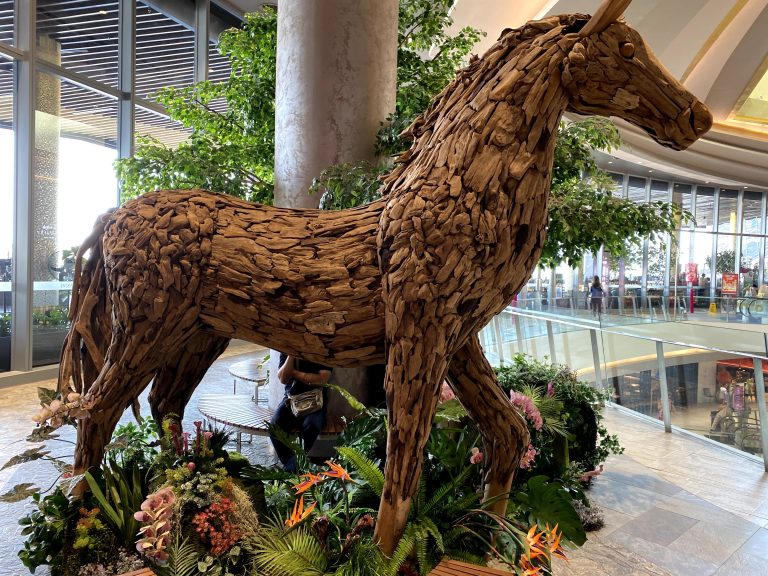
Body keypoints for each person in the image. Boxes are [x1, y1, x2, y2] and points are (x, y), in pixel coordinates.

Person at [269, 353, 332, 472]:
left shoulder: (321, 350)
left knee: (311, 426)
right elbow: (283, 378)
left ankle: (291, 469)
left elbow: (323, 379)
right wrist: (291, 355)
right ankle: (294, 466)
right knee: (275, 427)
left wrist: (295, 373)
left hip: (316, 401)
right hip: (292, 400)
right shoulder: (287, 349)